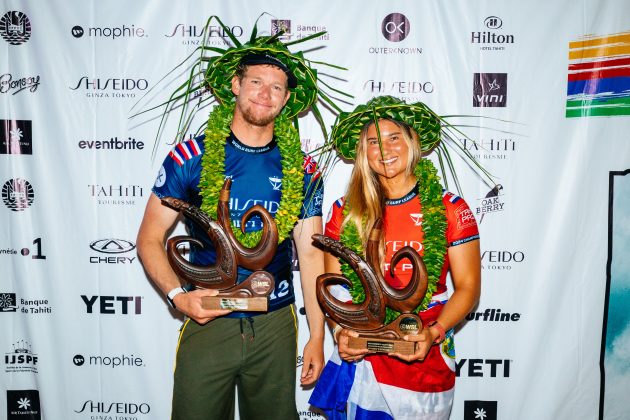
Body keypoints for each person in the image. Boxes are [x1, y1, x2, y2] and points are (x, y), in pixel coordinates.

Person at [137, 21, 344, 419]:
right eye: (255, 82)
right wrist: (179, 297)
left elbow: (312, 257)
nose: (264, 94)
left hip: (275, 324)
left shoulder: (303, 169)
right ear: (235, 85)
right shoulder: (190, 157)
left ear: (286, 100)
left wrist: (317, 335)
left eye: (276, 88)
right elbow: (148, 238)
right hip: (208, 318)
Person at [309, 96, 482, 419]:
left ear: (413, 142)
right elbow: (334, 288)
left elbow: (469, 287)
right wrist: (340, 333)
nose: (384, 150)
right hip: (363, 361)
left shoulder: (450, 208)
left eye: (393, 138)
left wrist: (434, 331)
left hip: (424, 360)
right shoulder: (345, 212)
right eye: (373, 142)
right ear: (363, 152)